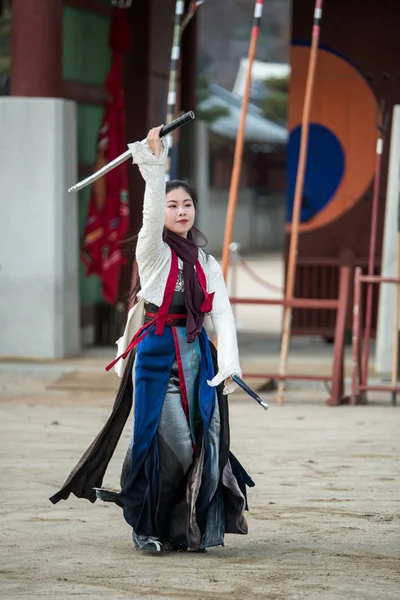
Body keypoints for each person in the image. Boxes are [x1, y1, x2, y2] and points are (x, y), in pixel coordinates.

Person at [50, 126, 255, 553]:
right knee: (172, 445)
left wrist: (229, 362)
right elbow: (148, 211)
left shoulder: (205, 260)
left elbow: (222, 313)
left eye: (187, 204)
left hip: (197, 355)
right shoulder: (153, 250)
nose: (182, 211)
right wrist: (154, 163)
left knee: (202, 441)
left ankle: (181, 528)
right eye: (173, 205)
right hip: (158, 354)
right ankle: (144, 522)